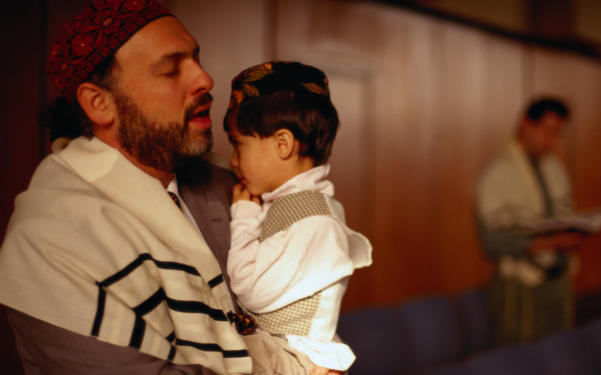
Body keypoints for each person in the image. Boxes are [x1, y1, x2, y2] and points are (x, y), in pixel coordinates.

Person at [0, 1, 252, 373]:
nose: (205, 79)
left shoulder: (224, 179)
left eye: (197, 59)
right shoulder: (46, 242)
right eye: (170, 70)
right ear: (100, 104)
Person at [222, 61, 373, 374]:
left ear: (282, 144)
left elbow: (249, 289)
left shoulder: (313, 222)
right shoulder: (293, 206)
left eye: (238, 145)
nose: (233, 161)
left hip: (295, 361)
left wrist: (245, 218)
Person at [475, 98, 587, 345]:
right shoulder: (498, 173)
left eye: (558, 134)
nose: (553, 141)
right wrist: (545, 243)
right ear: (526, 125)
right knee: (522, 357)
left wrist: (573, 233)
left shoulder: (553, 168)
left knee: (559, 350)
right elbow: (491, 240)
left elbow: (561, 214)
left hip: (557, 276)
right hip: (520, 285)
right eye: (548, 132)